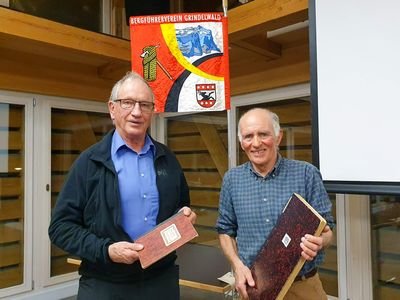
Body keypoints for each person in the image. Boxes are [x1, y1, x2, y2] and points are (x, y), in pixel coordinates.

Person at [48, 71, 196, 300]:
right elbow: (60, 227)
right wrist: (106, 250)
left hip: (161, 281)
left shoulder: (167, 158)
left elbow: (181, 206)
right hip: (105, 283)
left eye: (145, 105)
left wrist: (184, 217)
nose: (137, 112)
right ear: (112, 108)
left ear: (152, 112)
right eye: (128, 103)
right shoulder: (89, 163)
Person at [216, 108, 334, 300]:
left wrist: (320, 242)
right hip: (255, 288)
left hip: (303, 287)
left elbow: (328, 231)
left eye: (263, 134)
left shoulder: (306, 174)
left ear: (278, 137)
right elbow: (225, 230)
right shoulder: (232, 180)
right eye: (248, 136)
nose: (256, 143)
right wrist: (237, 266)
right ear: (241, 142)